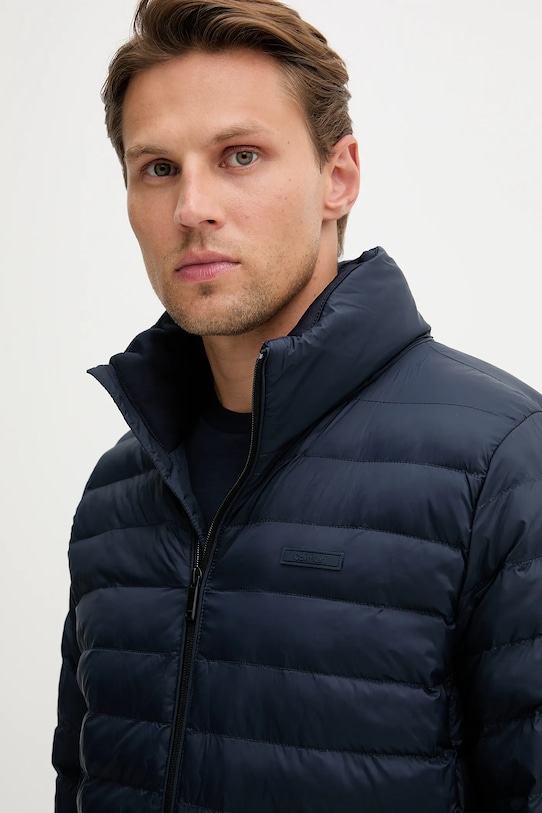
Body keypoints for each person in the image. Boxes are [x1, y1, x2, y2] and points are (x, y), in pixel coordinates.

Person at [52, 0, 542, 810]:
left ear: (337, 178)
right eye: (158, 168)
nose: (191, 208)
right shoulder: (118, 493)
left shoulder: (504, 463)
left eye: (240, 156)